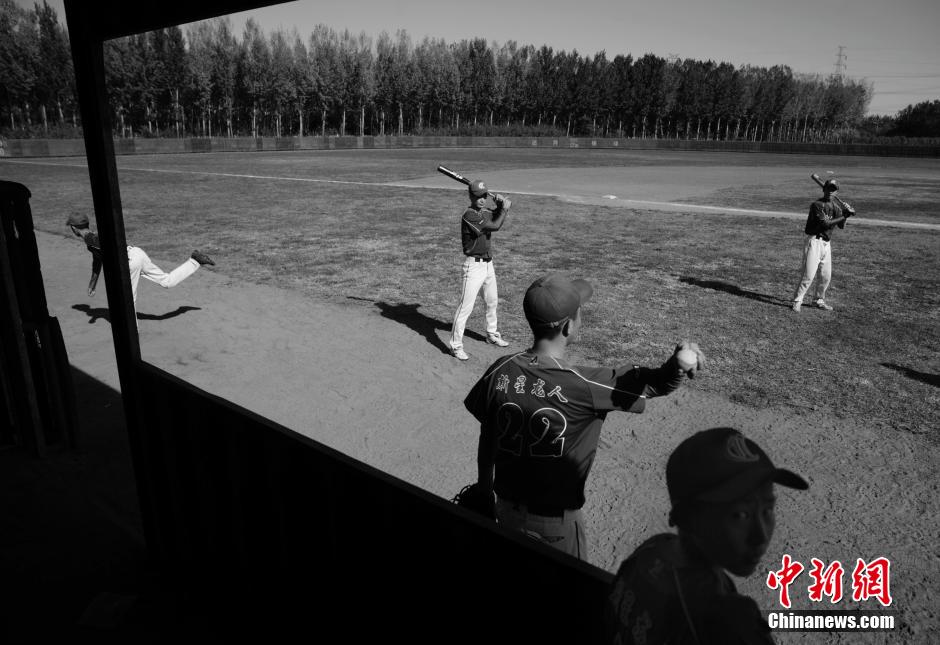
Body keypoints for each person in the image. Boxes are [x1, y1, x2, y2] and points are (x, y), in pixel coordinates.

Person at [463, 272, 705, 560]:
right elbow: (654, 384)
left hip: (504, 510)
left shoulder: (500, 370)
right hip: (555, 527)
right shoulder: (584, 385)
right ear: (568, 326)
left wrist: (483, 489)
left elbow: (488, 435)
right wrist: (676, 366)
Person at [605, 427, 809, 644]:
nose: (760, 535)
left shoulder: (652, 549)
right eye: (740, 515)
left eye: (767, 510)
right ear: (688, 518)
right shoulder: (729, 621)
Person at [67, 212, 215, 307]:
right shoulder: (92, 241)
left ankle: (132, 337)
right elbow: (97, 260)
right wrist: (92, 284)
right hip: (137, 253)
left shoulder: (90, 239)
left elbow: (104, 245)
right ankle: (195, 260)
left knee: (128, 304)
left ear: (74, 228)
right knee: (167, 281)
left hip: (130, 261)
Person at [448, 179, 512, 361]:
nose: (482, 199)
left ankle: (492, 334)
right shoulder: (469, 215)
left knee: (492, 301)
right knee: (465, 308)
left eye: (484, 196)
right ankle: (455, 346)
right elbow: (495, 225)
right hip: (473, 268)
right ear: (470, 196)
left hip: (488, 265)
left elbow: (494, 216)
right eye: (478, 196)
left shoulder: (483, 211)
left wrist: (499, 205)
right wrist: (504, 209)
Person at [791, 178, 855, 312]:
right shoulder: (817, 205)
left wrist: (846, 214)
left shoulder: (836, 207)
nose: (830, 191)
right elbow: (825, 224)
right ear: (823, 189)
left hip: (826, 244)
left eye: (833, 189)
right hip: (814, 242)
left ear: (836, 192)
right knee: (808, 275)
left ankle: (818, 300)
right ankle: (797, 300)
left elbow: (841, 226)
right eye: (828, 188)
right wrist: (845, 215)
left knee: (825, 276)